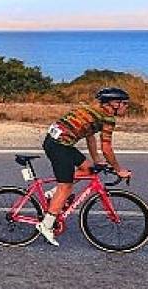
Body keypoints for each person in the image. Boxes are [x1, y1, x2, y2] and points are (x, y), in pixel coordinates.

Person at [36, 87, 132, 246]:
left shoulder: (91, 111)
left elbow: (90, 136)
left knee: (86, 169)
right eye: (125, 104)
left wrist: (97, 159)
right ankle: (46, 225)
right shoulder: (107, 118)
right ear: (114, 104)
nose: (126, 107)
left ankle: (52, 195)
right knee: (65, 187)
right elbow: (107, 148)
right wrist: (118, 170)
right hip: (60, 146)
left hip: (57, 142)